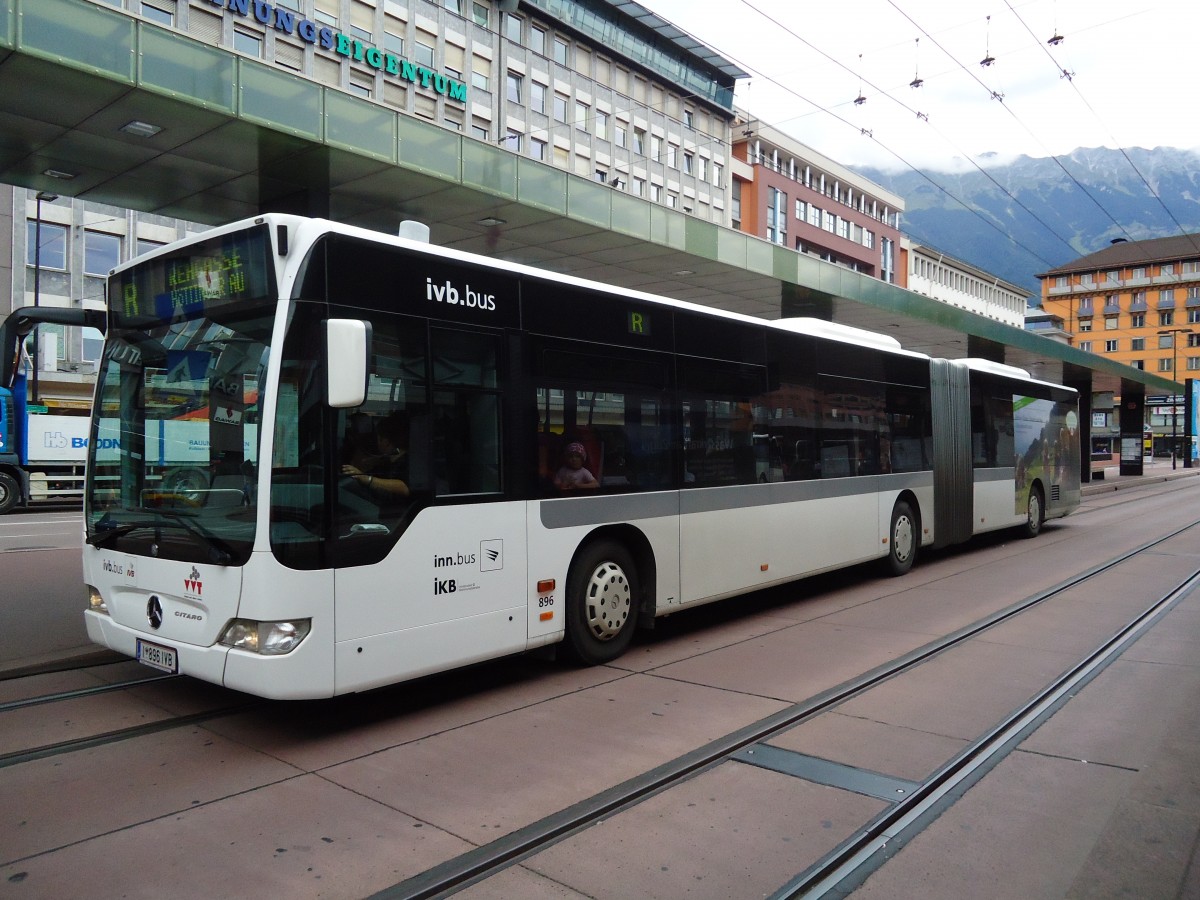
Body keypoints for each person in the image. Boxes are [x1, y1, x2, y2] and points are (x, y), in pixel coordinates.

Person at [342, 413, 411, 498]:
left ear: (386, 442)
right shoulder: (388, 460)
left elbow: (404, 488)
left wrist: (366, 479)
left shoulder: (407, 462)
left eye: (378, 439)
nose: (377, 443)